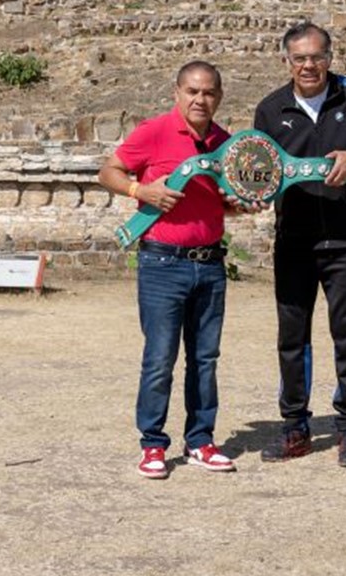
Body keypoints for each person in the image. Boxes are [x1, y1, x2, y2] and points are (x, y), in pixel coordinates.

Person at [253, 21, 346, 468]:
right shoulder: (270, 109)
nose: (309, 65)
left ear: (330, 58)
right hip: (294, 241)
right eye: (299, 58)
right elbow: (258, 171)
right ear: (287, 61)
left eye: (317, 56)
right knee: (291, 339)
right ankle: (295, 428)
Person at [97, 60, 239, 480]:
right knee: (159, 359)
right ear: (177, 93)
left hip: (210, 263)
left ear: (219, 97)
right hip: (161, 263)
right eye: (193, 91)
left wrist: (235, 205)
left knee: (206, 360)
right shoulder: (154, 132)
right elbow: (108, 171)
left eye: (209, 92)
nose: (201, 99)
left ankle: (200, 441)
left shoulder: (224, 143)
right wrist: (142, 190)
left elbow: (223, 198)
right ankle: (153, 445)